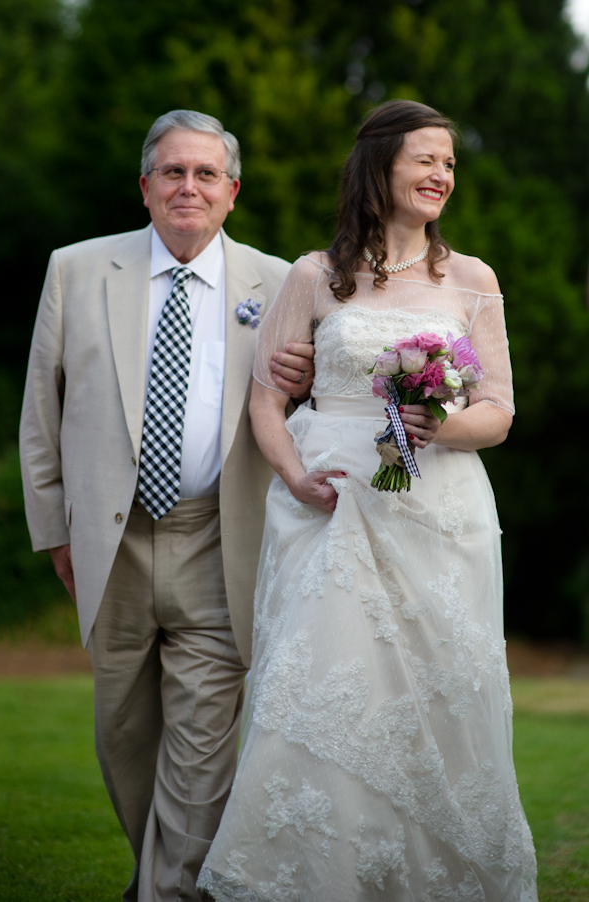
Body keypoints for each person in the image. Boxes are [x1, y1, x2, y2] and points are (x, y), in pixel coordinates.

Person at [197, 100, 538, 901]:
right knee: (325, 687)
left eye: (449, 163)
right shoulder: (315, 274)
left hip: (441, 515)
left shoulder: (473, 279)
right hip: (334, 509)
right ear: (380, 167)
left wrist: (441, 422)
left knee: (442, 693)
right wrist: (293, 477)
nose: (440, 176)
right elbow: (263, 404)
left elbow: (499, 412)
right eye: (425, 159)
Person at [19, 109, 315, 902]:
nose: (190, 187)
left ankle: (168, 891)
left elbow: (307, 409)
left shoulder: (280, 280)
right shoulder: (76, 270)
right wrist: (55, 536)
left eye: (206, 174)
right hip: (108, 547)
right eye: (173, 173)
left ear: (232, 192)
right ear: (146, 187)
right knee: (124, 733)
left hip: (220, 541)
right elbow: (39, 419)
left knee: (203, 743)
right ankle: (164, 873)